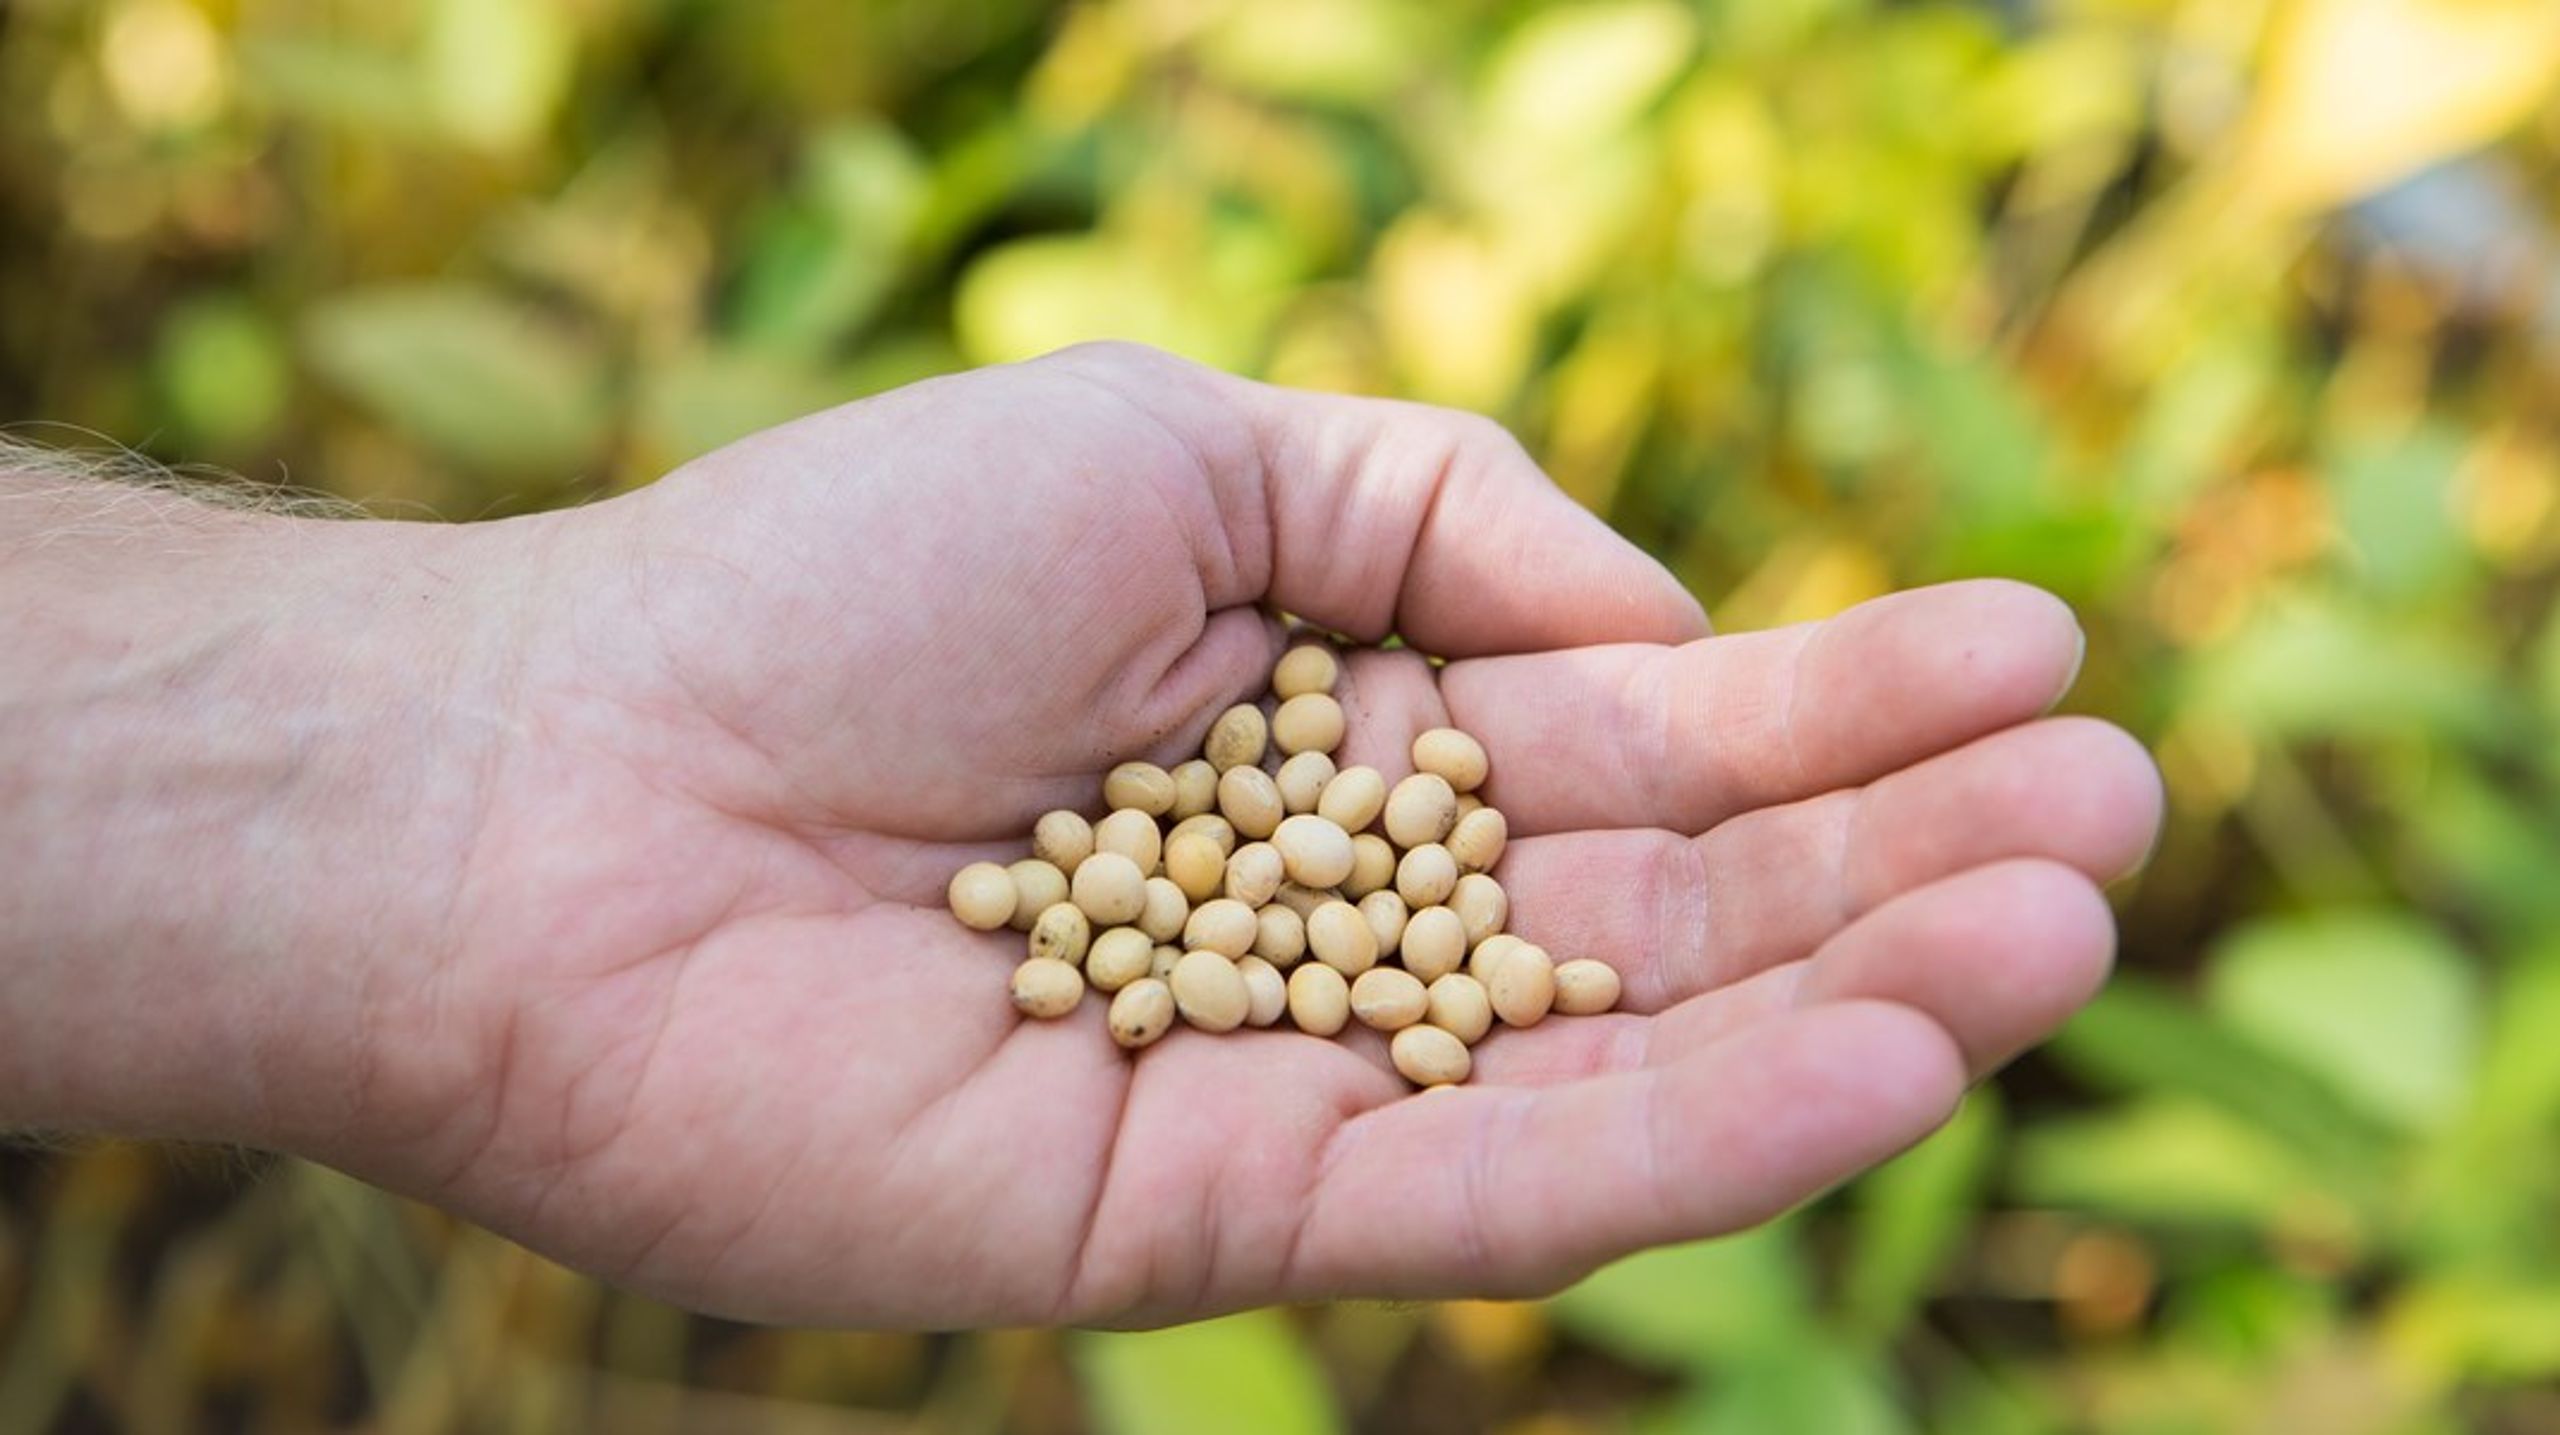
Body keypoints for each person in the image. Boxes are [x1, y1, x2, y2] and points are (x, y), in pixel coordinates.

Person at [0, 342, 2163, 1328]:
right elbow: (1231, 910)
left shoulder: (1276, 865)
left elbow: (1279, 906)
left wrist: (438, 774)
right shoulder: (1203, 873)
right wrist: (483, 752)